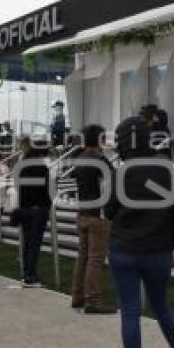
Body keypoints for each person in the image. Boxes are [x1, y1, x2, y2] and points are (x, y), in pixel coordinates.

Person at [105, 116, 174, 348]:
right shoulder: (165, 168)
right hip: (158, 250)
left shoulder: (120, 172)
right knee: (162, 306)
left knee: (130, 311)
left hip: (124, 249)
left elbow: (108, 211)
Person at [70, 125, 116, 314]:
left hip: (83, 212)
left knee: (83, 256)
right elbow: (111, 182)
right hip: (98, 215)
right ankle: (93, 299)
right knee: (95, 258)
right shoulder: (100, 160)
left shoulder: (79, 159)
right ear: (100, 140)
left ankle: (77, 295)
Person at [15, 136, 52, 287]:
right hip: (38, 208)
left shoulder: (22, 164)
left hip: (25, 207)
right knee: (34, 243)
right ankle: (30, 274)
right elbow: (47, 189)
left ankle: (26, 272)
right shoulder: (41, 166)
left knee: (27, 242)